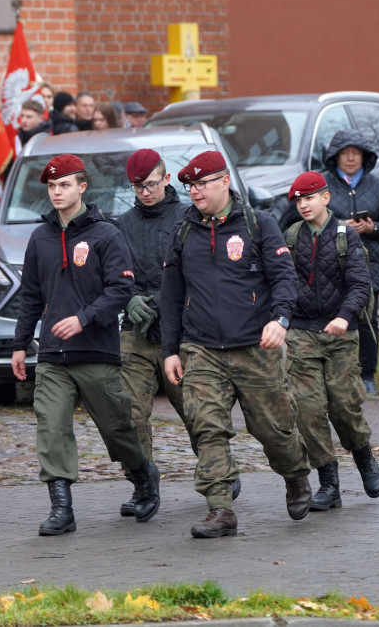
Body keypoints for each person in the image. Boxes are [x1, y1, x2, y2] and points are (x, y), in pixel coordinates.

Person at [160, 151, 311, 539]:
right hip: (202, 347)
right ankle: (220, 508)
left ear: (224, 182)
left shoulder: (258, 224)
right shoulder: (182, 230)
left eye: (202, 184)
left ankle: (295, 475)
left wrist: (280, 321)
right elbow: (172, 294)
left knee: (274, 430)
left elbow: (284, 279)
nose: (194, 192)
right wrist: (170, 350)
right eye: (189, 186)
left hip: (255, 346)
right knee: (207, 427)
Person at [11, 153, 159, 536]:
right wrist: (20, 343)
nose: (57, 192)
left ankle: (143, 476)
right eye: (51, 186)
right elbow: (29, 295)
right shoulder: (40, 237)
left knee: (117, 427)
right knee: (52, 426)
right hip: (52, 357)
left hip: (96, 350)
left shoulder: (106, 234)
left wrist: (84, 317)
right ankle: (62, 507)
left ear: (82, 187)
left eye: (64, 185)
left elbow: (120, 288)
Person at [115, 149, 241, 515]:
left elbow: (197, 274)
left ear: (166, 179)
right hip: (136, 334)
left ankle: (219, 472)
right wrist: (129, 300)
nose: (145, 192)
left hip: (183, 332)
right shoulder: (122, 225)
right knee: (130, 414)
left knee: (198, 412)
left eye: (151, 184)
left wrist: (154, 300)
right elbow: (115, 276)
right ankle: (143, 481)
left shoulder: (188, 219)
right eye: (138, 187)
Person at [283, 171, 379, 512]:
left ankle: (365, 459)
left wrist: (344, 316)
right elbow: (282, 282)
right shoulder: (293, 235)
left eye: (309, 198)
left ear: (326, 198)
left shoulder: (345, 236)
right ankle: (329, 482)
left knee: (343, 404)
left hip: (340, 334)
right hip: (302, 333)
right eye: (298, 200)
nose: (303, 205)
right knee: (308, 409)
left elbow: (360, 284)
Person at [321, 130, 379, 396]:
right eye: (345, 153)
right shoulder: (324, 184)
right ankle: (333, 373)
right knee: (332, 316)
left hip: (369, 261)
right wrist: (340, 227)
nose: (351, 158)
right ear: (335, 157)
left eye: (356, 153)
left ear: (364, 157)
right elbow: (305, 218)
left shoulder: (376, 185)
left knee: (367, 320)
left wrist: (372, 227)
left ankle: (367, 375)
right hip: (331, 260)